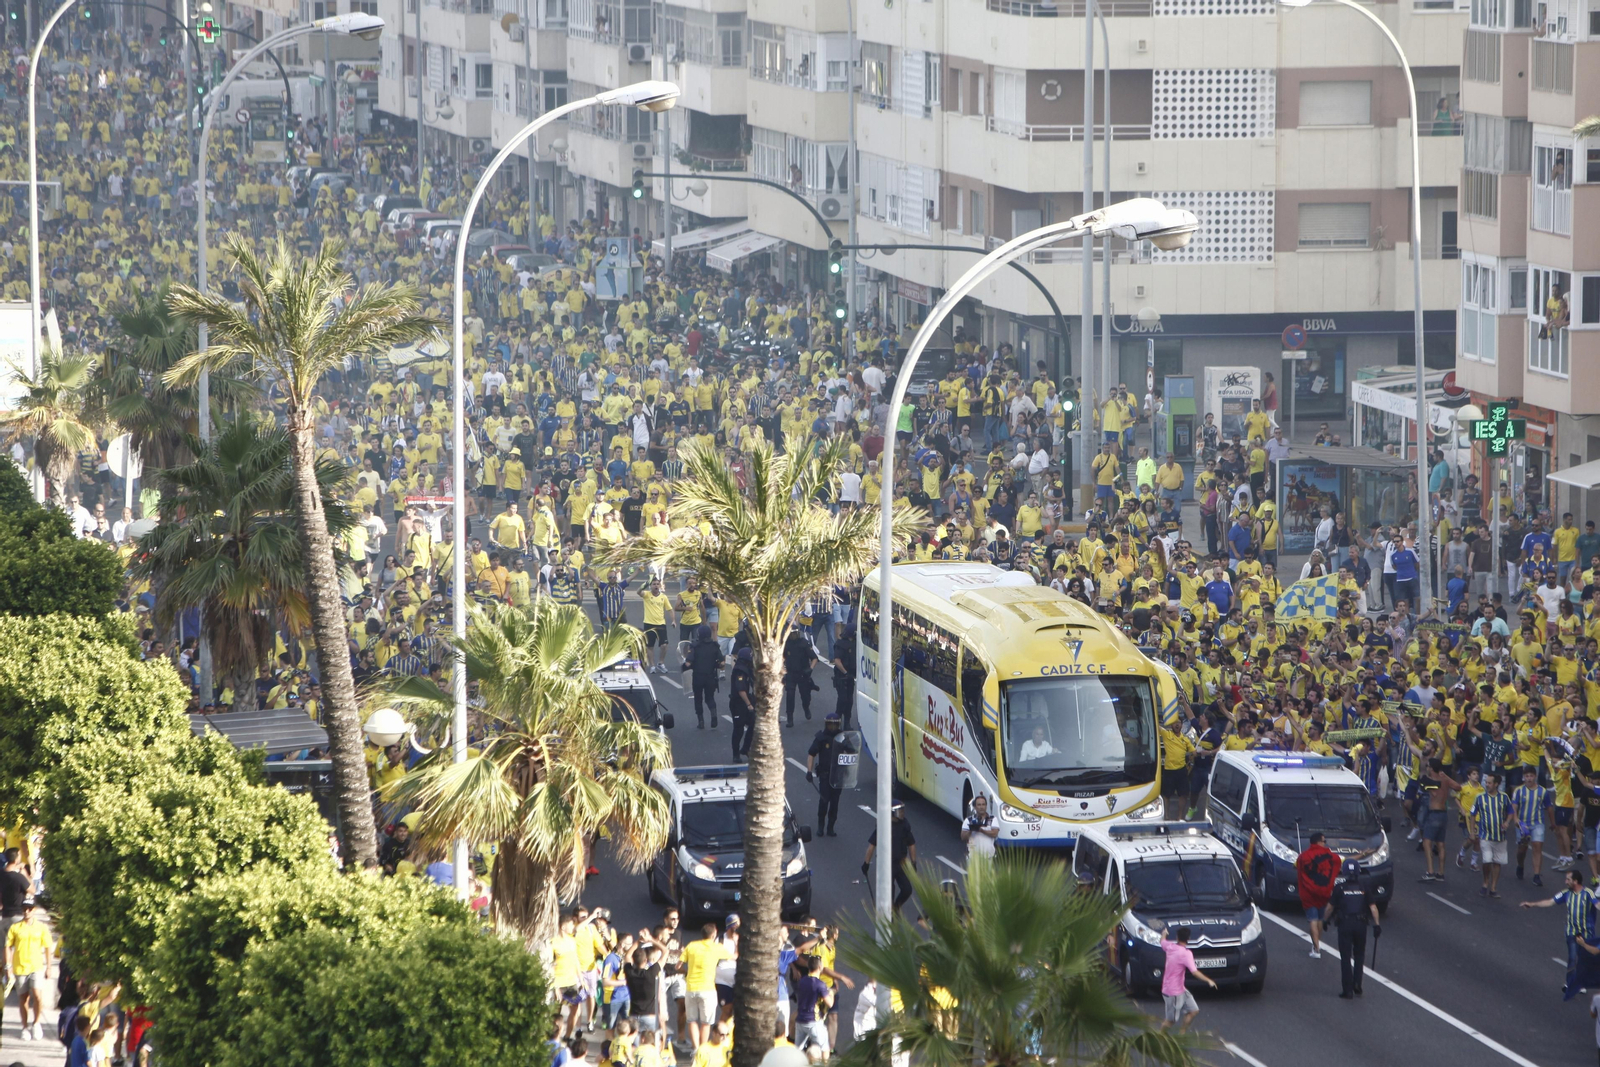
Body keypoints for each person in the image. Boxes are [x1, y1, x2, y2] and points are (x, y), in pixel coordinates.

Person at [1521, 869, 1600, 1000]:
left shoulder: (1588, 893)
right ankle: (1571, 983)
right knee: (1572, 958)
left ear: (1576, 881)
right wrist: (1532, 904)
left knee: (1584, 958)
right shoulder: (1565, 893)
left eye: (1568, 879)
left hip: (1587, 933)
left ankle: (1581, 982)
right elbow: (1550, 901)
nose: (1565, 882)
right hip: (1571, 932)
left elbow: (1597, 904)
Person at [1325, 860, 1380, 998]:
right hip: (1361, 924)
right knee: (1359, 955)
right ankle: (1357, 984)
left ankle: (1347, 989)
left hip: (1345, 924)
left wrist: (1325, 920)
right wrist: (1377, 925)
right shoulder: (1364, 887)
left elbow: (1330, 907)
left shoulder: (1339, 888)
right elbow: (1373, 907)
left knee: (1345, 957)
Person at [4, 900, 52, 1041]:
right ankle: (25, 1027)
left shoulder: (41, 927)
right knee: (23, 998)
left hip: (36, 966)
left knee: (37, 995)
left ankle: (36, 1023)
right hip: (20, 967)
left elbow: (48, 946)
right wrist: (8, 966)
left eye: (30, 908)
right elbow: (8, 946)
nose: (27, 911)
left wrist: (49, 967)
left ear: (34, 909)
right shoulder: (15, 927)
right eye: (24, 908)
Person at [681, 923, 731, 1050]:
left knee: (692, 1020)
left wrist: (687, 972)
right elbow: (733, 956)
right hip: (708, 989)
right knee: (706, 1023)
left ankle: (696, 1048)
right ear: (713, 935)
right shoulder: (717, 947)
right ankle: (702, 1050)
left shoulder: (692, 945)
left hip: (691, 988)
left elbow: (678, 965)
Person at [1158, 926, 1216, 1032]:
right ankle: (1157, 1038)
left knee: (1193, 1010)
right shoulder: (1186, 954)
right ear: (1188, 938)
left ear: (1177, 937)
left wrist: (1164, 933)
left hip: (1180, 989)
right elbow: (1194, 972)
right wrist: (1208, 980)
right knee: (1170, 1020)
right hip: (1173, 992)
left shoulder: (1170, 946)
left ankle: (1182, 1035)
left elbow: (1162, 941)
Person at [863, 801, 917, 914]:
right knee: (889, 893)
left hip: (901, 864)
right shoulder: (883, 826)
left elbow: (911, 844)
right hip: (887, 865)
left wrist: (913, 862)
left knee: (907, 890)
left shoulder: (905, 825)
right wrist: (866, 863)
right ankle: (890, 917)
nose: (902, 813)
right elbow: (871, 846)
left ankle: (896, 908)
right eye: (899, 811)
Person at [1294, 831, 1340, 958]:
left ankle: (1316, 948)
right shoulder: (1330, 856)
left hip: (1308, 894)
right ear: (1319, 842)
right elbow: (1340, 862)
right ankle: (1317, 943)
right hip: (1323, 893)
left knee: (1312, 920)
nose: (1325, 844)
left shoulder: (1303, 857)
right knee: (1319, 919)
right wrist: (1364, 854)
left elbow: (1297, 867)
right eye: (1324, 841)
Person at [806, 713, 848, 837]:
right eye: (830, 724)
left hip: (838, 775)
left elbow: (852, 753)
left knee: (835, 802)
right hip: (825, 775)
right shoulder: (821, 738)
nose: (832, 727)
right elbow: (811, 754)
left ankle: (830, 827)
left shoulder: (843, 737)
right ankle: (821, 826)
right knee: (824, 801)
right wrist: (809, 771)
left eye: (835, 725)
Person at [683, 624, 724, 729]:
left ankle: (701, 721)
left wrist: (684, 665)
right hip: (710, 677)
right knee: (710, 698)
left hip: (698, 677)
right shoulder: (715, 646)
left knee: (698, 699)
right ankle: (713, 715)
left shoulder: (695, 646)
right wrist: (715, 665)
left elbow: (688, 663)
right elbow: (722, 663)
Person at [782, 629, 818, 728]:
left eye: (795, 633)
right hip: (790, 673)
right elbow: (781, 658)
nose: (794, 635)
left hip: (803, 673)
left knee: (805, 696)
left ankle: (806, 707)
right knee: (790, 695)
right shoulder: (786, 644)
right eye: (792, 633)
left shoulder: (804, 643)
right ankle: (790, 718)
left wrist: (810, 669)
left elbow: (814, 658)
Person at [729, 647, 756, 760]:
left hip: (746, 701)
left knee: (754, 723)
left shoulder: (747, 669)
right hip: (738, 704)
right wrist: (749, 705)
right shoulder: (740, 671)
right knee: (738, 729)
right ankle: (736, 754)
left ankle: (746, 748)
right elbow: (741, 690)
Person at [961, 794, 999, 859]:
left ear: (986, 806)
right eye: (979, 805)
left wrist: (981, 830)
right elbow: (963, 837)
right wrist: (971, 830)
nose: (981, 807)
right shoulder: (969, 820)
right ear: (975, 807)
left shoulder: (992, 819)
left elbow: (995, 834)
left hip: (989, 857)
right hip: (973, 857)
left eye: (983, 804)